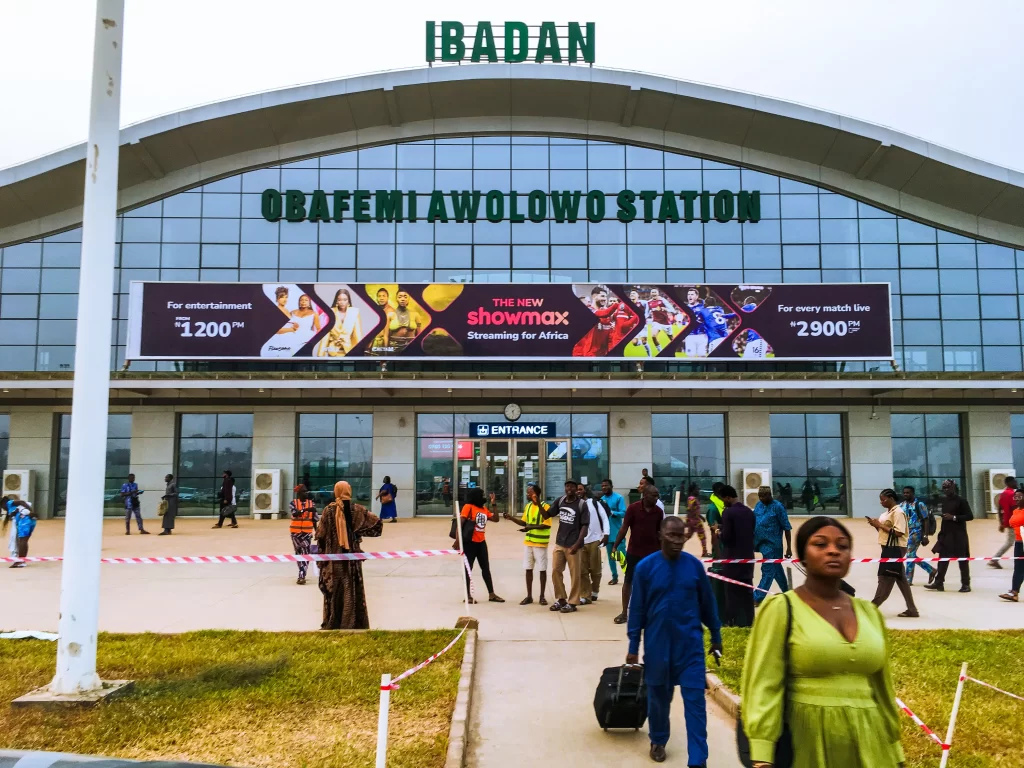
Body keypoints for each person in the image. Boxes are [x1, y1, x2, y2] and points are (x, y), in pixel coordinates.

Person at [741, 516, 906, 768]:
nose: (833, 550)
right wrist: (762, 754)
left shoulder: (869, 613)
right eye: (820, 544)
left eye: (842, 546)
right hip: (807, 743)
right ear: (803, 556)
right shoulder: (781, 608)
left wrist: (895, 751)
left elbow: (882, 688)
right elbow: (763, 683)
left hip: (871, 746)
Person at [626, 515, 722, 765]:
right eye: (672, 535)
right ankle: (658, 739)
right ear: (660, 535)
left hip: (690, 649)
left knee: (695, 705)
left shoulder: (693, 567)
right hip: (658, 649)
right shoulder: (645, 568)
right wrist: (633, 646)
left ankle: (698, 760)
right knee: (658, 700)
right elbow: (637, 610)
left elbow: (708, 604)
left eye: (682, 536)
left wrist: (716, 636)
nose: (678, 541)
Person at [316, 480, 383, 629]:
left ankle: (334, 621)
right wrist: (357, 533)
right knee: (351, 589)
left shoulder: (328, 511)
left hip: (333, 561)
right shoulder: (357, 510)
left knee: (334, 591)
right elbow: (377, 525)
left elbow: (320, 535)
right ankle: (352, 622)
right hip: (352, 560)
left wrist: (321, 557)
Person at [612, 482, 665, 624]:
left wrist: (664, 551)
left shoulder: (658, 512)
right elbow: (624, 528)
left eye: (657, 496)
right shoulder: (633, 508)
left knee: (653, 584)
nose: (656, 498)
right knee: (628, 581)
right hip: (634, 552)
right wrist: (615, 546)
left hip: (653, 554)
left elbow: (660, 532)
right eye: (654, 496)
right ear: (645, 495)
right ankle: (624, 613)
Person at [868, 489, 919, 618]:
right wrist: (876, 525)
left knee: (885, 578)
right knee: (901, 579)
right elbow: (884, 532)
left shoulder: (898, 513)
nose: (881, 502)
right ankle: (912, 609)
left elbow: (899, 532)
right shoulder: (887, 513)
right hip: (888, 548)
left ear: (891, 498)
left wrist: (879, 525)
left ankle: (871, 608)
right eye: (880, 499)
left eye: (883, 499)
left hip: (895, 549)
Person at [503, 483, 552, 605]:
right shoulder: (528, 506)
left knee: (542, 570)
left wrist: (529, 527)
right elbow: (523, 523)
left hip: (540, 543)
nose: (527, 494)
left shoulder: (545, 507)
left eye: (529, 492)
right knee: (528, 569)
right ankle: (529, 596)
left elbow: (547, 524)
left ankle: (542, 596)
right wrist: (511, 518)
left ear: (536, 493)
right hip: (529, 542)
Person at [924, 479, 974, 593]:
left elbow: (970, 516)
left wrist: (954, 517)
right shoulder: (944, 501)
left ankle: (966, 584)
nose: (946, 489)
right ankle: (938, 583)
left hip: (959, 535)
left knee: (962, 560)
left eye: (948, 487)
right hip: (946, 535)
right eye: (944, 487)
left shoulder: (961, 501)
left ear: (953, 487)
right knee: (942, 559)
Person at [549, 479, 590, 614]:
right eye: (567, 486)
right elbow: (548, 514)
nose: (570, 489)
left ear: (576, 489)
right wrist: (537, 502)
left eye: (573, 487)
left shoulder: (582, 504)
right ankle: (561, 599)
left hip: (574, 545)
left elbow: (585, 526)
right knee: (556, 571)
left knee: (575, 575)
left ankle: (572, 602)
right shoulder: (561, 501)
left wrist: (577, 544)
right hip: (560, 543)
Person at [718, 485, 755, 627]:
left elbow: (726, 537)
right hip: (747, 558)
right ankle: (749, 622)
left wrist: (718, 533)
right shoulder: (749, 512)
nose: (723, 502)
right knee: (747, 593)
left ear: (728, 497)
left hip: (732, 559)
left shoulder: (728, 513)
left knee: (732, 593)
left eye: (723, 499)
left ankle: (733, 623)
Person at [461, 488, 504, 604]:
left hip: (481, 542)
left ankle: (492, 594)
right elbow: (461, 523)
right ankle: (468, 595)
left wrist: (494, 503)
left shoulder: (484, 509)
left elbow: (496, 519)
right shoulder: (468, 507)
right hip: (470, 542)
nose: (484, 497)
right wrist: (457, 541)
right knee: (468, 569)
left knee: (485, 568)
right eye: (482, 495)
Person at [752, 485, 792, 605]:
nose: (762, 498)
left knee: (768, 570)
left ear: (770, 495)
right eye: (760, 496)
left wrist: (789, 548)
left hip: (773, 545)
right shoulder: (758, 505)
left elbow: (787, 527)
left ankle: (757, 597)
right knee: (777, 570)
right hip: (760, 543)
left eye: (764, 496)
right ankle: (788, 593)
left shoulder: (778, 507)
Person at [577, 482, 609, 604]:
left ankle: (595, 590)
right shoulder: (575, 505)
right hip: (580, 541)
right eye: (576, 490)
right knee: (582, 570)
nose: (578, 492)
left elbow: (604, 518)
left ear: (584, 490)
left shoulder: (594, 503)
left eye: (580, 489)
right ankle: (585, 595)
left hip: (595, 540)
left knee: (595, 569)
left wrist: (606, 534)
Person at [900, 485, 936, 586]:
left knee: (910, 555)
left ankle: (908, 580)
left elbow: (926, 520)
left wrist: (925, 536)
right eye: (904, 493)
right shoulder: (902, 505)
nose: (906, 494)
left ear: (913, 493)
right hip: (906, 533)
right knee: (911, 555)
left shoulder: (920, 504)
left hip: (917, 532)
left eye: (908, 493)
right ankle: (931, 570)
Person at [319, 288, 362, 356]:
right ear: (336, 301)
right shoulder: (330, 312)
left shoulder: (354, 312)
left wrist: (360, 353)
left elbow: (358, 335)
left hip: (348, 350)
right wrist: (320, 355)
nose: (342, 302)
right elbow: (325, 336)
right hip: (333, 350)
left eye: (345, 300)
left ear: (348, 301)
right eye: (339, 300)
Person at [999, 488, 1024, 602]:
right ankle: (1014, 593)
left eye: (1020, 497)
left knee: (1020, 568)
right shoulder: (1015, 511)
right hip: (1019, 543)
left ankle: (1014, 592)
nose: (1017, 499)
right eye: (1015, 497)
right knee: (1018, 568)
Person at [290, 484, 318, 585]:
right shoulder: (293, 503)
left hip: (306, 533)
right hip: (295, 534)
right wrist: (305, 510)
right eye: (304, 491)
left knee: (305, 553)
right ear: (299, 493)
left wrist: (317, 531)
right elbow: (294, 513)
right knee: (298, 554)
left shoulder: (312, 504)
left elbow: (314, 520)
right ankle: (302, 571)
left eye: (306, 491)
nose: (306, 493)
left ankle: (302, 575)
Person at [601, 478, 628, 585]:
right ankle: (614, 577)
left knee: (622, 555)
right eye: (602, 486)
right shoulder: (601, 500)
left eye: (606, 485)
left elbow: (624, 513)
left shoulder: (618, 498)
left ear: (611, 486)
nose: (604, 487)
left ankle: (628, 576)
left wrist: (612, 512)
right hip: (607, 534)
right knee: (611, 557)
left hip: (618, 532)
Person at [989, 476, 1018, 570]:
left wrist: (1001, 523)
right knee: (1010, 542)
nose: (1016, 483)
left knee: (1011, 542)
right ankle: (995, 559)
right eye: (1014, 481)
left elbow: (999, 508)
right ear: (1009, 483)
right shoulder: (1012, 494)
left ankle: (995, 559)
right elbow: (1015, 508)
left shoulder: (1003, 494)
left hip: (1009, 522)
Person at [683, 482, 710, 558]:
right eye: (697, 489)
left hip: (693, 520)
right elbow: (689, 509)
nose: (698, 490)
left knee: (688, 535)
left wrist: (700, 516)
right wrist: (691, 519)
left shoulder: (691, 498)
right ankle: (704, 552)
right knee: (702, 536)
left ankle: (677, 544)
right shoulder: (692, 499)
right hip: (695, 521)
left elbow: (693, 510)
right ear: (693, 490)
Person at [8, 504, 37, 568]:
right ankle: (22, 560)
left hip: (25, 521)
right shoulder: (20, 507)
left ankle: (20, 561)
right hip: (31, 521)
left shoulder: (10, 504)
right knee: (24, 541)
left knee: (22, 541)